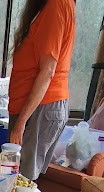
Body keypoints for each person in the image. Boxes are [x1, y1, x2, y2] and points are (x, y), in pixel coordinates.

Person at [8, 0, 76, 181]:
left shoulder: (56, 5)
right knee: (16, 176)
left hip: (41, 107)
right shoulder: (46, 7)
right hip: (34, 107)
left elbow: (48, 71)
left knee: (21, 179)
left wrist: (21, 122)